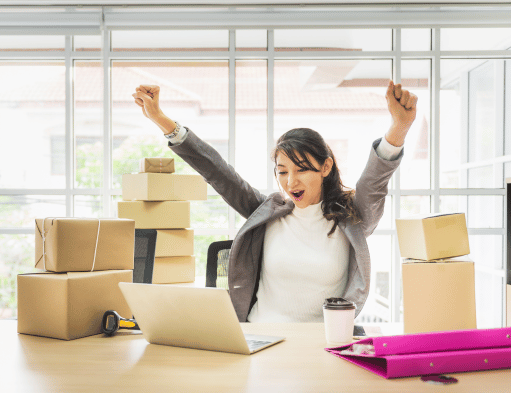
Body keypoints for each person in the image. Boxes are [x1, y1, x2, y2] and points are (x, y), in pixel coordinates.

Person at [132, 81, 418, 323]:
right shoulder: (267, 211)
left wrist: (399, 126)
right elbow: (217, 171)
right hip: (260, 338)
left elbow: (374, 182)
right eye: (282, 172)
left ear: (326, 167)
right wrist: (161, 119)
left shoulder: (351, 220)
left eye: (302, 170)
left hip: (321, 345)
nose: (291, 182)